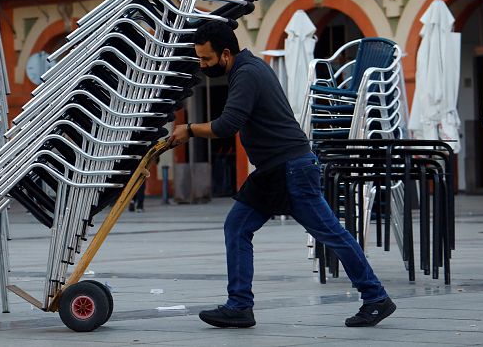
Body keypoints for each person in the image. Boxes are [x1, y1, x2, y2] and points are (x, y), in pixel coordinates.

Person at [168, 20, 395, 329]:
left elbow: (227, 125)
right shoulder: (245, 69)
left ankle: (376, 297)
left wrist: (190, 130)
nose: (202, 65)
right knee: (237, 227)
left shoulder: (246, 73)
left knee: (331, 234)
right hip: (273, 170)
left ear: (224, 54)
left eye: (206, 59)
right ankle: (239, 307)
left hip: (292, 168)